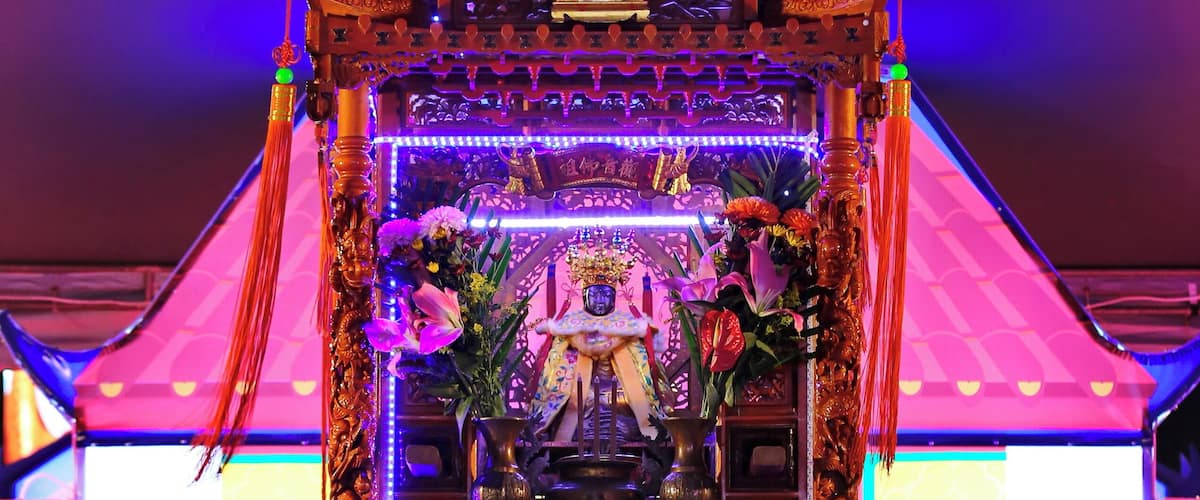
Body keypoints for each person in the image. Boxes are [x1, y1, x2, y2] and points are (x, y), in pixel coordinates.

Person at [529, 228, 669, 443]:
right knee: (580, 401)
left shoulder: (628, 328)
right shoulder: (569, 327)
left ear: (614, 297)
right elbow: (553, 377)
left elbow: (644, 376)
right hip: (580, 399)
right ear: (585, 297)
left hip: (619, 397)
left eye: (606, 295)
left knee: (622, 401)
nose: (601, 301)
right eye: (595, 294)